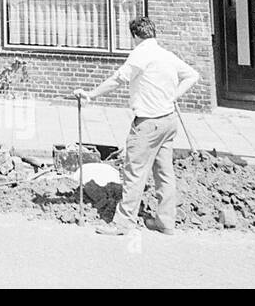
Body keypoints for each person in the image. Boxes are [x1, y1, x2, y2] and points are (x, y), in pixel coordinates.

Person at [74, 17, 200, 235]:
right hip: (168, 121)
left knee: (134, 172)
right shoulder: (166, 54)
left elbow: (118, 80)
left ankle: (123, 223)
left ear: (134, 36)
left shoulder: (141, 53)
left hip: (147, 124)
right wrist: (172, 96)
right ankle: (166, 221)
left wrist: (91, 95)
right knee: (164, 173)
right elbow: (192, 76)